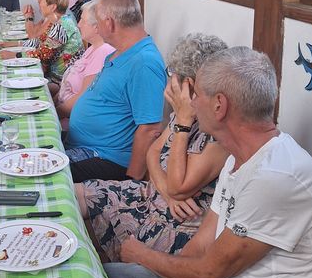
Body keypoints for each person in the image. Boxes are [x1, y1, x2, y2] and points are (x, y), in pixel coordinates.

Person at [114, 47, 312, 278]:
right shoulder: (240, 159)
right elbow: (200, 250)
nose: (190, 103)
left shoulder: (277, 177)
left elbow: (207, 272)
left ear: (219, 105)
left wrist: (139, 254)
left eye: (196, 94)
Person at [76, 32, 228, 263]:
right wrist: (166, 190)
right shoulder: (186, 112)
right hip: (153, 195)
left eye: (173, 74)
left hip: (175, 222)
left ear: (190, 83)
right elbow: (152, 152)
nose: (170, 81)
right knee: (72, 194)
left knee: (91, 240)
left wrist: (184, 123)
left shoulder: (217, 132)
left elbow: (180, 188)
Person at [65, 0, 166, 183]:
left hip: (106, 157)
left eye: (98, 21)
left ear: (109, 23)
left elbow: (150, 128)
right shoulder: (121, 51)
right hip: (84, 145)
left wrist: (130, 182)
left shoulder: (144, 63)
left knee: (44, 178)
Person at [1, 0, 83, 82]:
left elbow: (43, 54)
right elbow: (39, 41)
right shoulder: (56, 20)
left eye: (42, 2)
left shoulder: (63, 26)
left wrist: (15, 55)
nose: (40, 5)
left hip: (61, 79)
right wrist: (10, 44)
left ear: (53, 7)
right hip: (51, 73)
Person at [53, 2, 115, 121]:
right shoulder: (92, 48)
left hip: (74, 120)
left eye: (82, 21)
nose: (79, 25)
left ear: (96, 27)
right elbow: (67, 84)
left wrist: (54, 115)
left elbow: (83, 97)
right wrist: (52, 104)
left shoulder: (104, 52)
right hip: (64, 111)